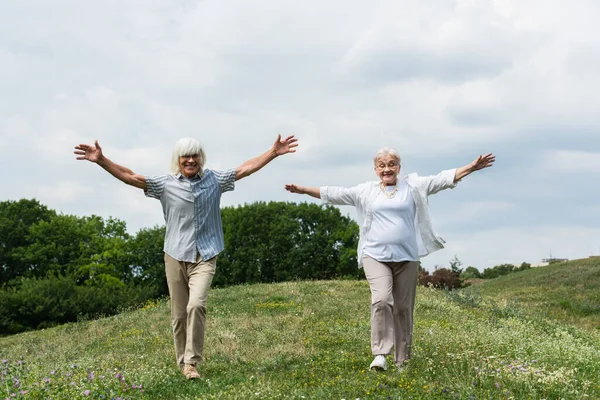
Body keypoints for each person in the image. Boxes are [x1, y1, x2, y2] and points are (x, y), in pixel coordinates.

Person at [74, 134, 298, 379]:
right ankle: (183, 363)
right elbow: (131, 177)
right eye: (185, 156)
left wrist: (273, 152)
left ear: (201, 158)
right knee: (179, 315)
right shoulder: (165, 184)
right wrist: (101, 160)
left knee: (196, 305)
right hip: (175, 254)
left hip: (206, 253)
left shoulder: (214, 180)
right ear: (178, 160)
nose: (191, 160)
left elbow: (245, 169)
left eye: (195, 156)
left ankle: (192, 363)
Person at [284, 148, 494, 372]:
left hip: (406, 257)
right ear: (375, 170)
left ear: (399, 168)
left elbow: (442, 179)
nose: (387, 169)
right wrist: (302, 190)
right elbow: (334, 193)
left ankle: (402, 360)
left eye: (392, 164)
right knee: (382, 300)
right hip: (375, 256)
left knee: (403, 308)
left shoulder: (413, 186)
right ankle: (380, 354)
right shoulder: (366, 191)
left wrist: (471, 167)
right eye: (382, 165)